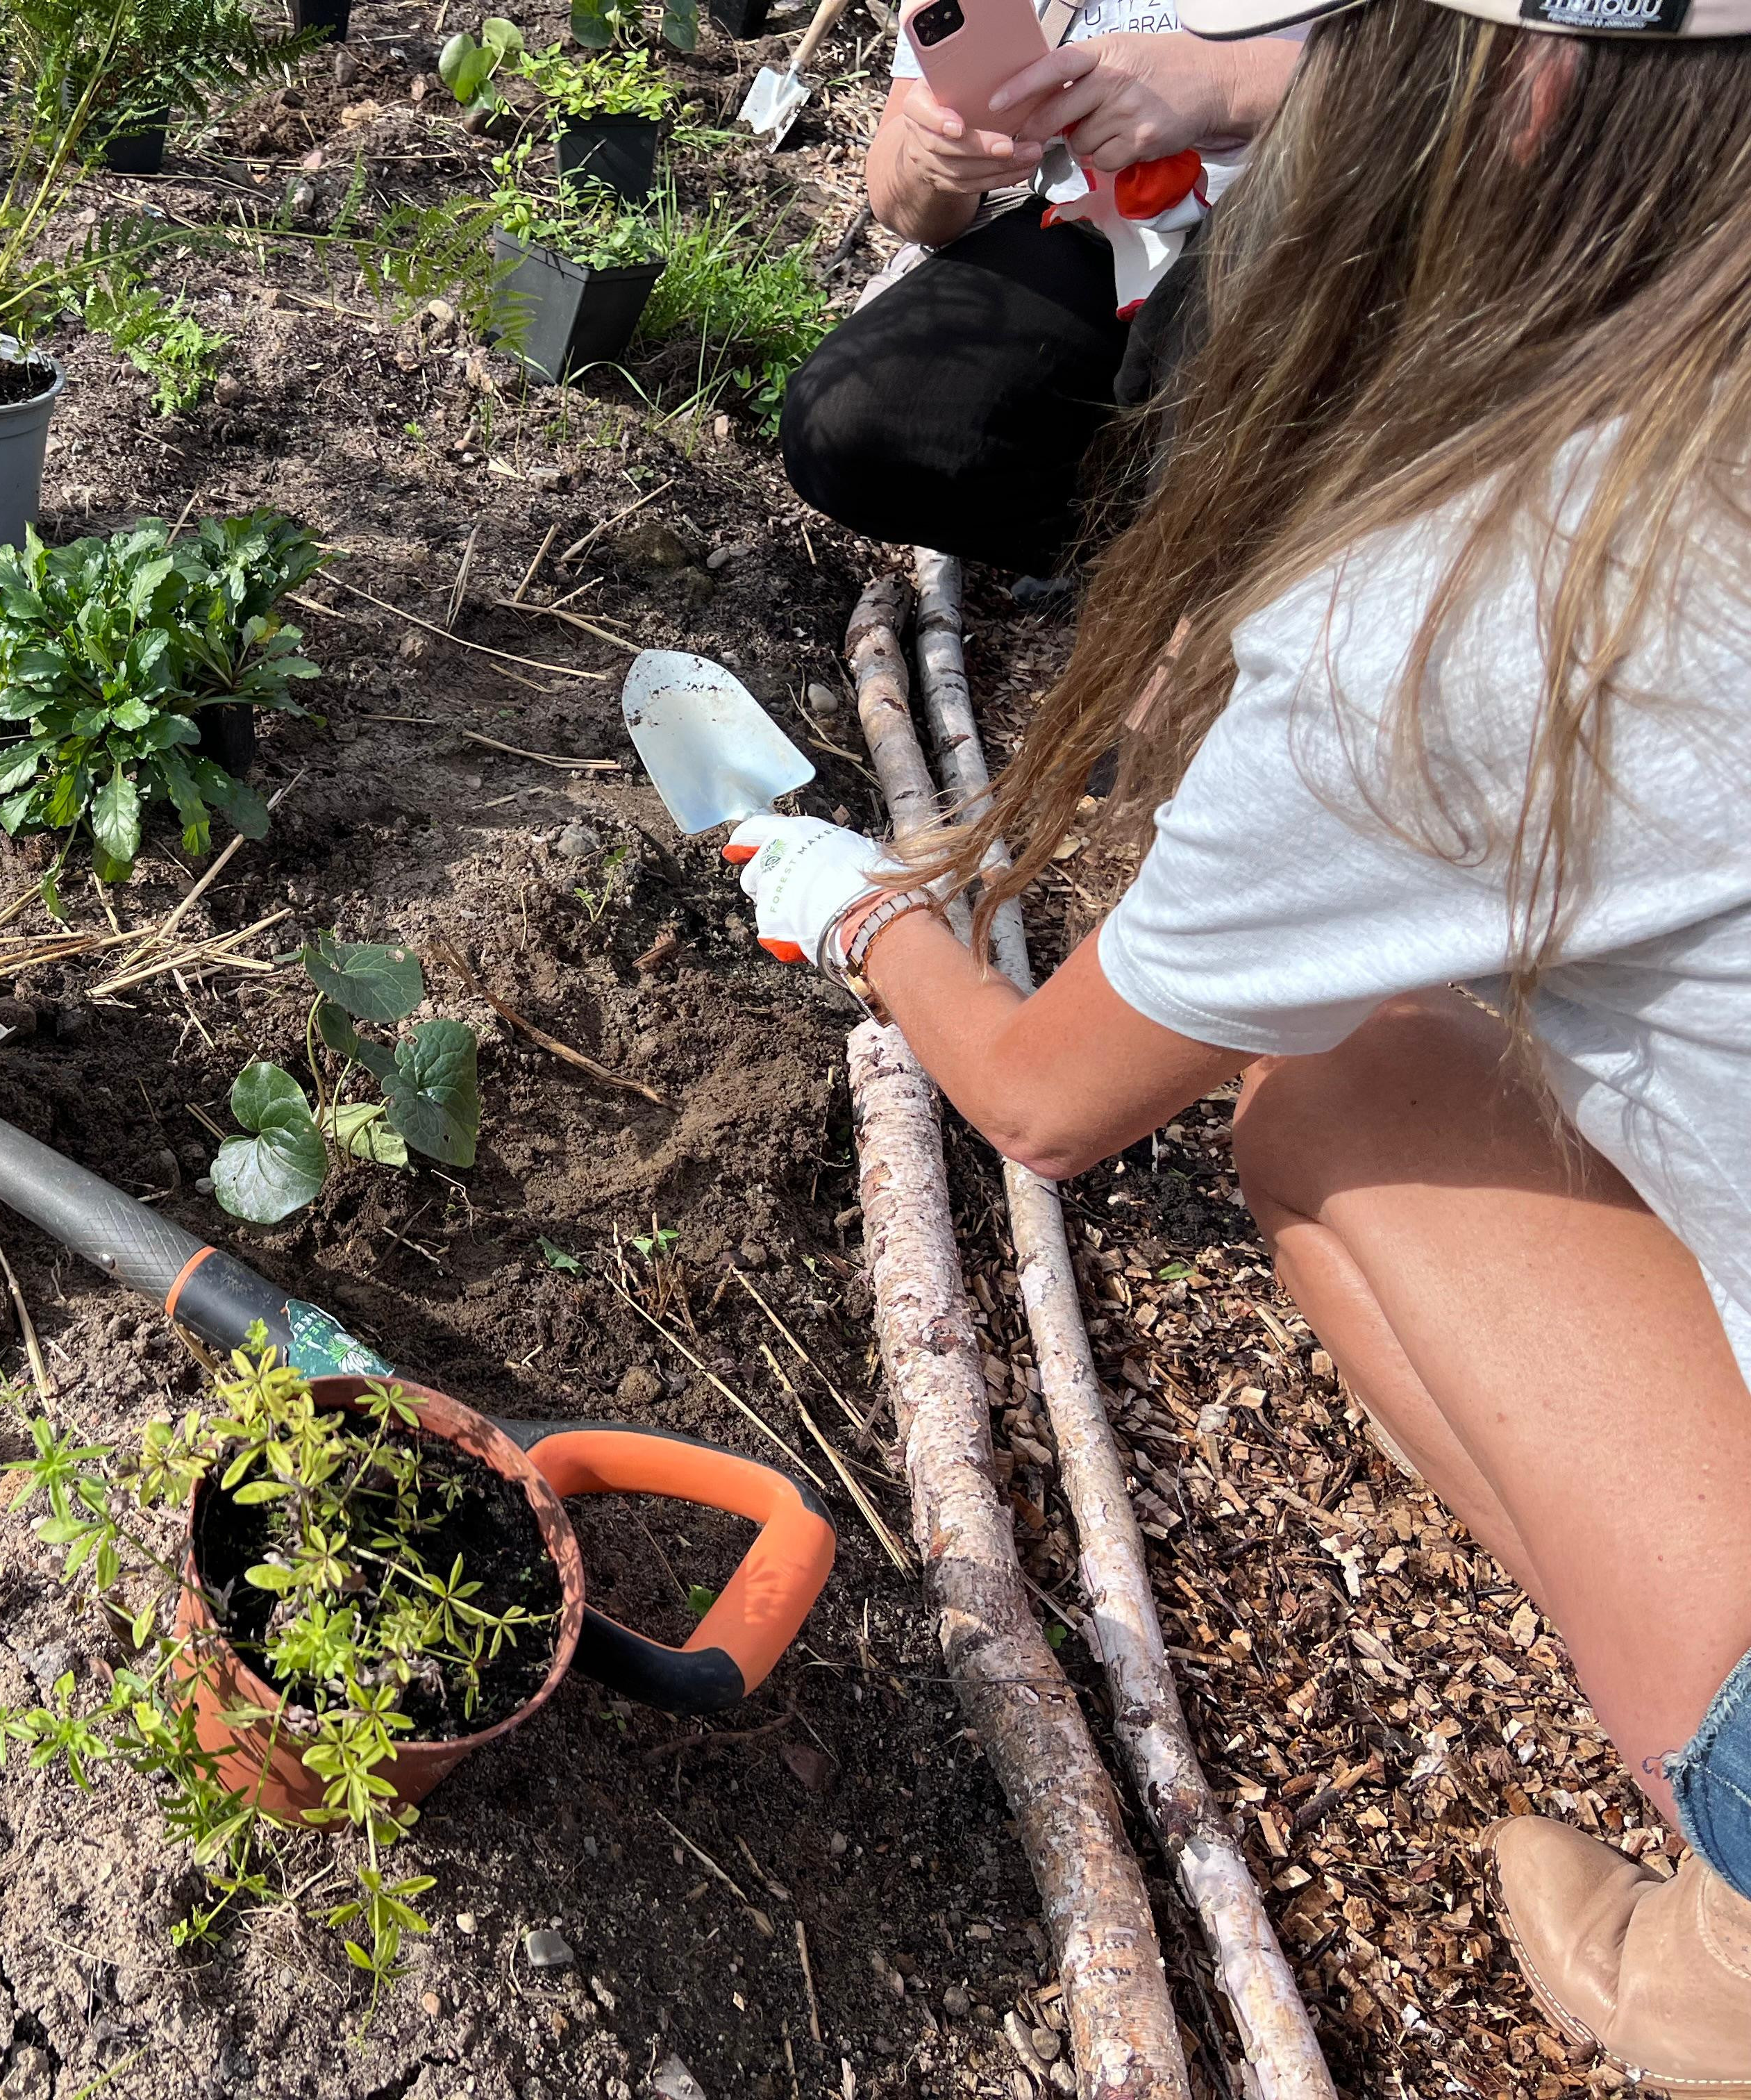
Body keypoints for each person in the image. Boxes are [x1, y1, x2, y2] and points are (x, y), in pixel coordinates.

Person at [730, 0, 1751, 2081]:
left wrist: (859, 907)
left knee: (1342, 1085)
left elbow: (1041, 1101)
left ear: (1523, 90)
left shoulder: (1510, 609)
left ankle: (1724, 1927)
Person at [778, 1, 1302, 575]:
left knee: (1229, 415)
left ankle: (1213, 561)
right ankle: (1137, 561)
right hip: (1087, 223)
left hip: (1302, 222)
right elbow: (898, 195)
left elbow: (1416, 86)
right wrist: (935, 163)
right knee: (852, 427)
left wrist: (1231, 82)